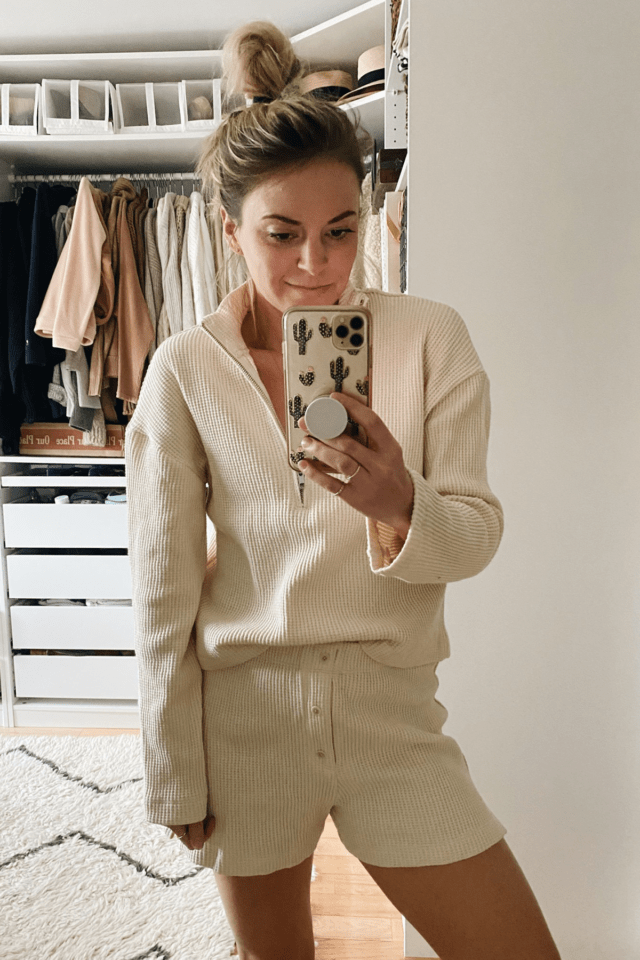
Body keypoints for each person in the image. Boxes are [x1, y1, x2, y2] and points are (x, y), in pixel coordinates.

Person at [126, 20, 562, 960]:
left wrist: (399, 504)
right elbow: (162, 585)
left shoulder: (430, 337)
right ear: (230, 230)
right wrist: (172, 763)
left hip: (392, 716)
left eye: (341, 231)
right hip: (246, 719)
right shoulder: (184, 370)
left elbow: (477, 535)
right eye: (282, 235)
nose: (317, 265)